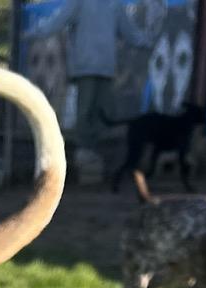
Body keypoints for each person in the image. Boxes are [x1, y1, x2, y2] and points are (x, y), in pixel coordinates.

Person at [24, 0, 154, 174]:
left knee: (105, 111)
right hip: (85, 66)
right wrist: (33, 32)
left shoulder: (113, 4)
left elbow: (128, 30)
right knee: (85, 109)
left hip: (106, 67)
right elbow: (57, 21)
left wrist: (146, 40)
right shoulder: (79, 3)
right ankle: (84, 151)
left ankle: (94, 148)